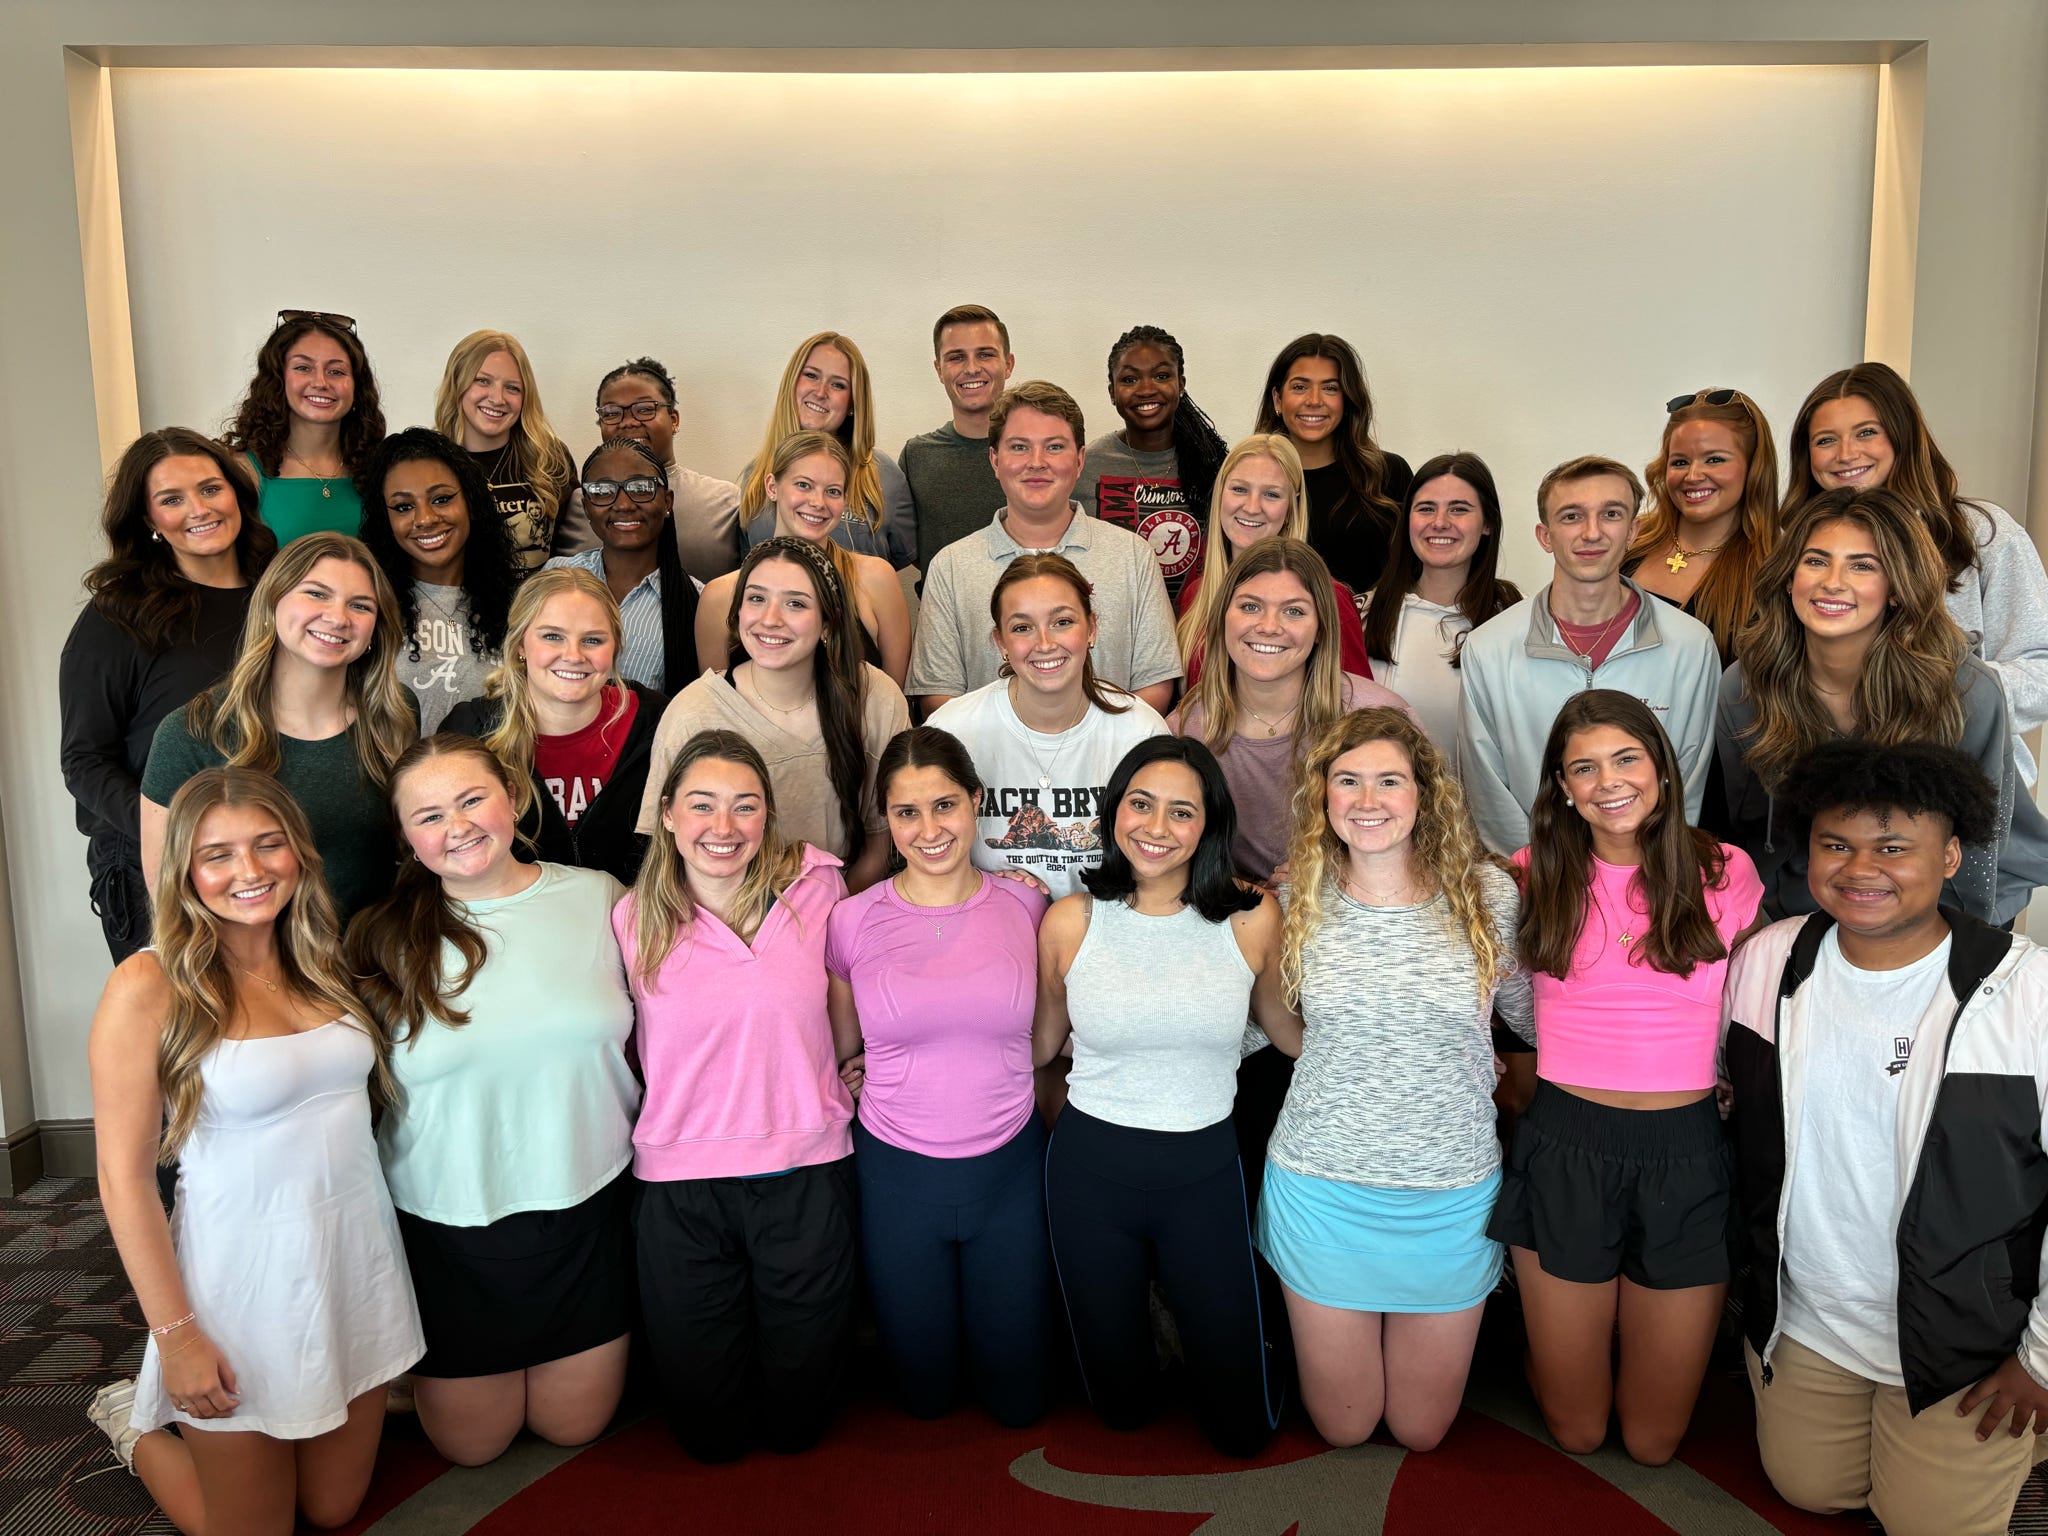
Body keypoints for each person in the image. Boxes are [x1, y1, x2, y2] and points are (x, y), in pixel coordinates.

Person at [1724, 741, 2048, 1536]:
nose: (1861, 868)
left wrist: (2041, 1360)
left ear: (1950, 856)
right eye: (1837, 844)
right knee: (1810, 1488)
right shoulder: (1769, 959)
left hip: (1965, 1341)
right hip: (1811, 1320)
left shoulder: (2024, 991)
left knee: (1927, 1527)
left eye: (1894, 847)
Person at [85, 768, 421, 1534]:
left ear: (298, 853)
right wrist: (176, 1338)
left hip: (353, 1264)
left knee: (332, 1509)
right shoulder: (150, 984)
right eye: (219, 854)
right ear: (185, 872)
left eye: (269, 845)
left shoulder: (322, 957)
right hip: (237, 1286)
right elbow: (122, 1179)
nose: (250, 871)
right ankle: (134, 1428)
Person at [1490, 690, 1765, 1465]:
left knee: (1651, 1443)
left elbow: (1746, 995)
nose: (1608, 781)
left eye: (1625, 759)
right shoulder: (1529, 872)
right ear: (1564, 790)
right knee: (1579, 1432)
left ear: (1663, 770)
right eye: (1584, 767)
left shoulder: (1726, 869)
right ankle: (1542, 1354)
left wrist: (1731, 1079)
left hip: (1686, 1148)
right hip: (1565, 1142)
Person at [348, 734, 637, 1467]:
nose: (459, 825)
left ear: (512, 797)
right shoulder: (382, 938)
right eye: (430, 815)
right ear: (408, 839)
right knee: (474, 1448)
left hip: (586, 1207)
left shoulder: (598, 896)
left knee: (574, 1427)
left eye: (473, 798)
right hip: (450, 1228)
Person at [1256, 708, 1532, 1451]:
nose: (1367, 800)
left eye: (1388, 781)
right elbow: (1251, 1027)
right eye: (1347, 781)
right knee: (1346, 1430)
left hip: (1450, 1194)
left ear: (1424, 794)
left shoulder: (1488, 897)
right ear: (1323, 796)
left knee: (1420, 1430)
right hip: (1323, 1186)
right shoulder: (1290, 903)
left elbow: (1538, 1021)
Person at [1035, 735, 1291, 1457]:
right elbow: (1040, 1046)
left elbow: (1282, 1030)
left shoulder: (1251, 916)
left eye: (1182, 812)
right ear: (1115, 810)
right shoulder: (1071, 920)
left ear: (1209, 825)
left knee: (1243, 1432)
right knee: (1119, 1411)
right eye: (1140, 804)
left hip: (1202, 1174)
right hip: (1089, 1173)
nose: (1155, 826)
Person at [622, 730, 858, 1462]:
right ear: (666, 814)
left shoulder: (821, 887)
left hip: (805, 1170)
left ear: (767, 817)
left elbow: (852, 1000)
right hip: (680, 1185)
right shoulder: (629, 919)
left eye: (743, 807)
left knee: (799, 1429)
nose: (722, 828)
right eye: (701, 805)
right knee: (709, 1438)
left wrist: (856, 1065)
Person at [826, 726, 1054, 1426]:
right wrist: (852, 1071)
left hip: (1009, 1170)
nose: (929, 829)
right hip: (898, 1176)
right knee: (922, 1400)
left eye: (946, 806)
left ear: (977, 803)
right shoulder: (850, 920)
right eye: (907, 812)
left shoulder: (1028, 904)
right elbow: (842, 1047)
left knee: (1018, 1404)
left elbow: (1049, 1038)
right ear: (886, 822)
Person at [1718, 485, 2048, 926]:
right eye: (1816, 560)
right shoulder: (1745, 686)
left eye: (1862, 566)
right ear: (1789, 576)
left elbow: (1977, 846)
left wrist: (1953, 953)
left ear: (1896, 588)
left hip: (1946, 910)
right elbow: (1754, 834)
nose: (1832, 582)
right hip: (1802, 910)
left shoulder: (1966, 690)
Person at [62, 428, 276, 962]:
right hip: (155, 864)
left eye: (210, 488)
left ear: (237, 494)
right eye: (171, 499)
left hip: (273, 852)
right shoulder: (118, 615)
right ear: (149, 521)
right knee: (187, 1034)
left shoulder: (282, 595)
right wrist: (174, 833)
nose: (198, 509)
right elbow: (84, 761)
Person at [1782, 360, 2048, 783]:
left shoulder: (1981, 533)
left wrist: (1938, 692)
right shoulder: (1794, 544)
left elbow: (2041, 668)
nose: (1846, 454)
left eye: (1867, 432)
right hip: (1831, 784)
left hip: (1965, 782)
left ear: (1903, 437)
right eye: (1826, 439)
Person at [140, 532, 417, 923]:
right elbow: (166, 895)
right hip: (259, 972)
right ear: (272, 601)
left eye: (360, 605)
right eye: (317, 594)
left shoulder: (396, 713)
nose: (338, 617)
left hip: (376, 962)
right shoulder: (191, 732)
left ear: (376, 628)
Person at [1458, 455, 1720, 856]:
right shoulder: (1488, 648)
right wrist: (1535, 878)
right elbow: (1487, 791)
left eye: (1610, 514)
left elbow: (1687, 781)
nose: (1592, 533)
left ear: (1633, 531)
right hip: (1537, 883)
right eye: (1572, 517)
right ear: (1544, 536)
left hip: (1649, 878)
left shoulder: (1690, 645)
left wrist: (1643, 875)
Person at [639, 537, 909, 894]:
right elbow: (666, 858)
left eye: (795, 603)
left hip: (843, 909)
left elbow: (879, 847)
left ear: (828, 622)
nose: (770, 619)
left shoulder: (876, 697)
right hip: (727, 921)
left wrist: (825, 919)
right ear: (737, 613)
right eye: (756, 598)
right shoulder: (694, 712)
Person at [908, 380, 1181, 715]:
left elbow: (1154, 684)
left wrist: (1087, 740)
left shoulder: (1133, 556)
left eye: (1054, 447)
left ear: (1080, 461)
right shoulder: (950, 568)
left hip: (1110, 763)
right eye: (1020, 447)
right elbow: (938, 697)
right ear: (995, 460)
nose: (1036, 462)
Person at [1173, 538, 1413, 887]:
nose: (1269, 626)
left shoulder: (1384, 720)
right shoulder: (1182, 732)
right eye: (1250, 606)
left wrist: (1338, 871)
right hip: (1232, 917)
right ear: (1222, 616)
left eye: (1294, 611)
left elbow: (1436, 843)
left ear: (1321, 630)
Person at [928, 553, 1168, 900]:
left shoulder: (1141, 731)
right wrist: (983, 887)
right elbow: (926, 850)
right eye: (1022, 627)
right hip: (994, 932)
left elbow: (1165, 865)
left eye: (1063, 622)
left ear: (1092, 628)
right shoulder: (953, 730)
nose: (1044, 643)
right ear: (1001, 643)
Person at [444, 569, 664, 887]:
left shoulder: (655, 721)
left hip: (633, 926)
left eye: (592, 640)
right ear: (521, 643)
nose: (573, 655)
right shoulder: (470, 730)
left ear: (614, 647)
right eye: (552, 636)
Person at [697, 431, 910, 684]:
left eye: (832, 491)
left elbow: (896, 699)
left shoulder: (876, 578)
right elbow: (717, 706)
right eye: (803, 485)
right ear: (772, 487)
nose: (818, 502)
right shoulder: (720, 596)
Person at [1357, 452, 1523, 756]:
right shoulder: (1362, 615)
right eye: (1426, 508)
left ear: (1487, 523)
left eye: (1459, 509)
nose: (1440, 522)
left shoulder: (1515, 620)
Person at [1173, 434, 1371, 687]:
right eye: (1239, 489)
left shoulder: (1329, 598)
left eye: (1271, 494)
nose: (1252, 507)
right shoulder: (1196, 594)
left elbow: (1361, 708)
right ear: (1220, 494)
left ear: (1291, 508)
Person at [356, 427, 517, 734]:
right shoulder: (369, 604)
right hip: (393, 780)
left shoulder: (515, 604)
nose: (425, 518)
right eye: (404, 507)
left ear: (470, 501)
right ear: (384, 520)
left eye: (441, 499)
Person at [1622, 387, 1779, 663]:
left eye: (1714, 459)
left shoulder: (1777, 566)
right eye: (1680, 462)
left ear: (1754, 467)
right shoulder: (1628, 539)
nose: (1693, 476)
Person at [1074, 325, 1227, 605]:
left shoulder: (1214, 465)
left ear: (1181, 383)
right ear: (1112, 392)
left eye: (1161, 376)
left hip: (1198, 632)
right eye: (1130, 379)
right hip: (1116, 632)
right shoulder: (1085, 466)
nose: (1146, 389)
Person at [554, 356, 743, 582]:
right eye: (612, 413)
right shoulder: (577, 501)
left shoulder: (725, 501)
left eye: (644, 409)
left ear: (673, 420)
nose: (628, 422)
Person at [739, 332, 916, 567]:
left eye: (838, 385)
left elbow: (897, 562)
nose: (821, 392)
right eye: (811, 375)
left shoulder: (885, 475)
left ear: (853, 401)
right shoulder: (755, 475)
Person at [1252, 334, 1412, 593]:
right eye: (1300, 387)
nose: (1314, 400)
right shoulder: (1250, 481)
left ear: (1347, 399)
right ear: (1278, 399)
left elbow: (1413, 572)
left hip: (1371, 631)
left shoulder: (1389, 474)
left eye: (1330, 388)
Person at [543, 438, 698, 695]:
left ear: (667, 502)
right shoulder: (557, 575)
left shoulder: (697, 601)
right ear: (587, 508)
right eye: (602, 491)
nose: (624, 504)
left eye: (641, 488)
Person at [222, 310, 386, 543]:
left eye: (336, 371)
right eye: (303, 368)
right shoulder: (243, 472)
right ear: (278, 379)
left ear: (357, 386)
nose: (321, 382)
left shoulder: (381, 468)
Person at [430, 329, 575, 576]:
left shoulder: (550, 458)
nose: (497, 399)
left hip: (537, 610)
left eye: (512, 388)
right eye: (482, 381)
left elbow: (573, 554)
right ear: (457, 383)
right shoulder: (428, 461)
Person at [900, 304, 1014, 571]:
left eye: (985, 354)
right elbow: (914, 552)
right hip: (942, 611)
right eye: (956, 357)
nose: (972, 368)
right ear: (939, 369)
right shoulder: (916, 456)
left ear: (1008, 364)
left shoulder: (1037, 454)